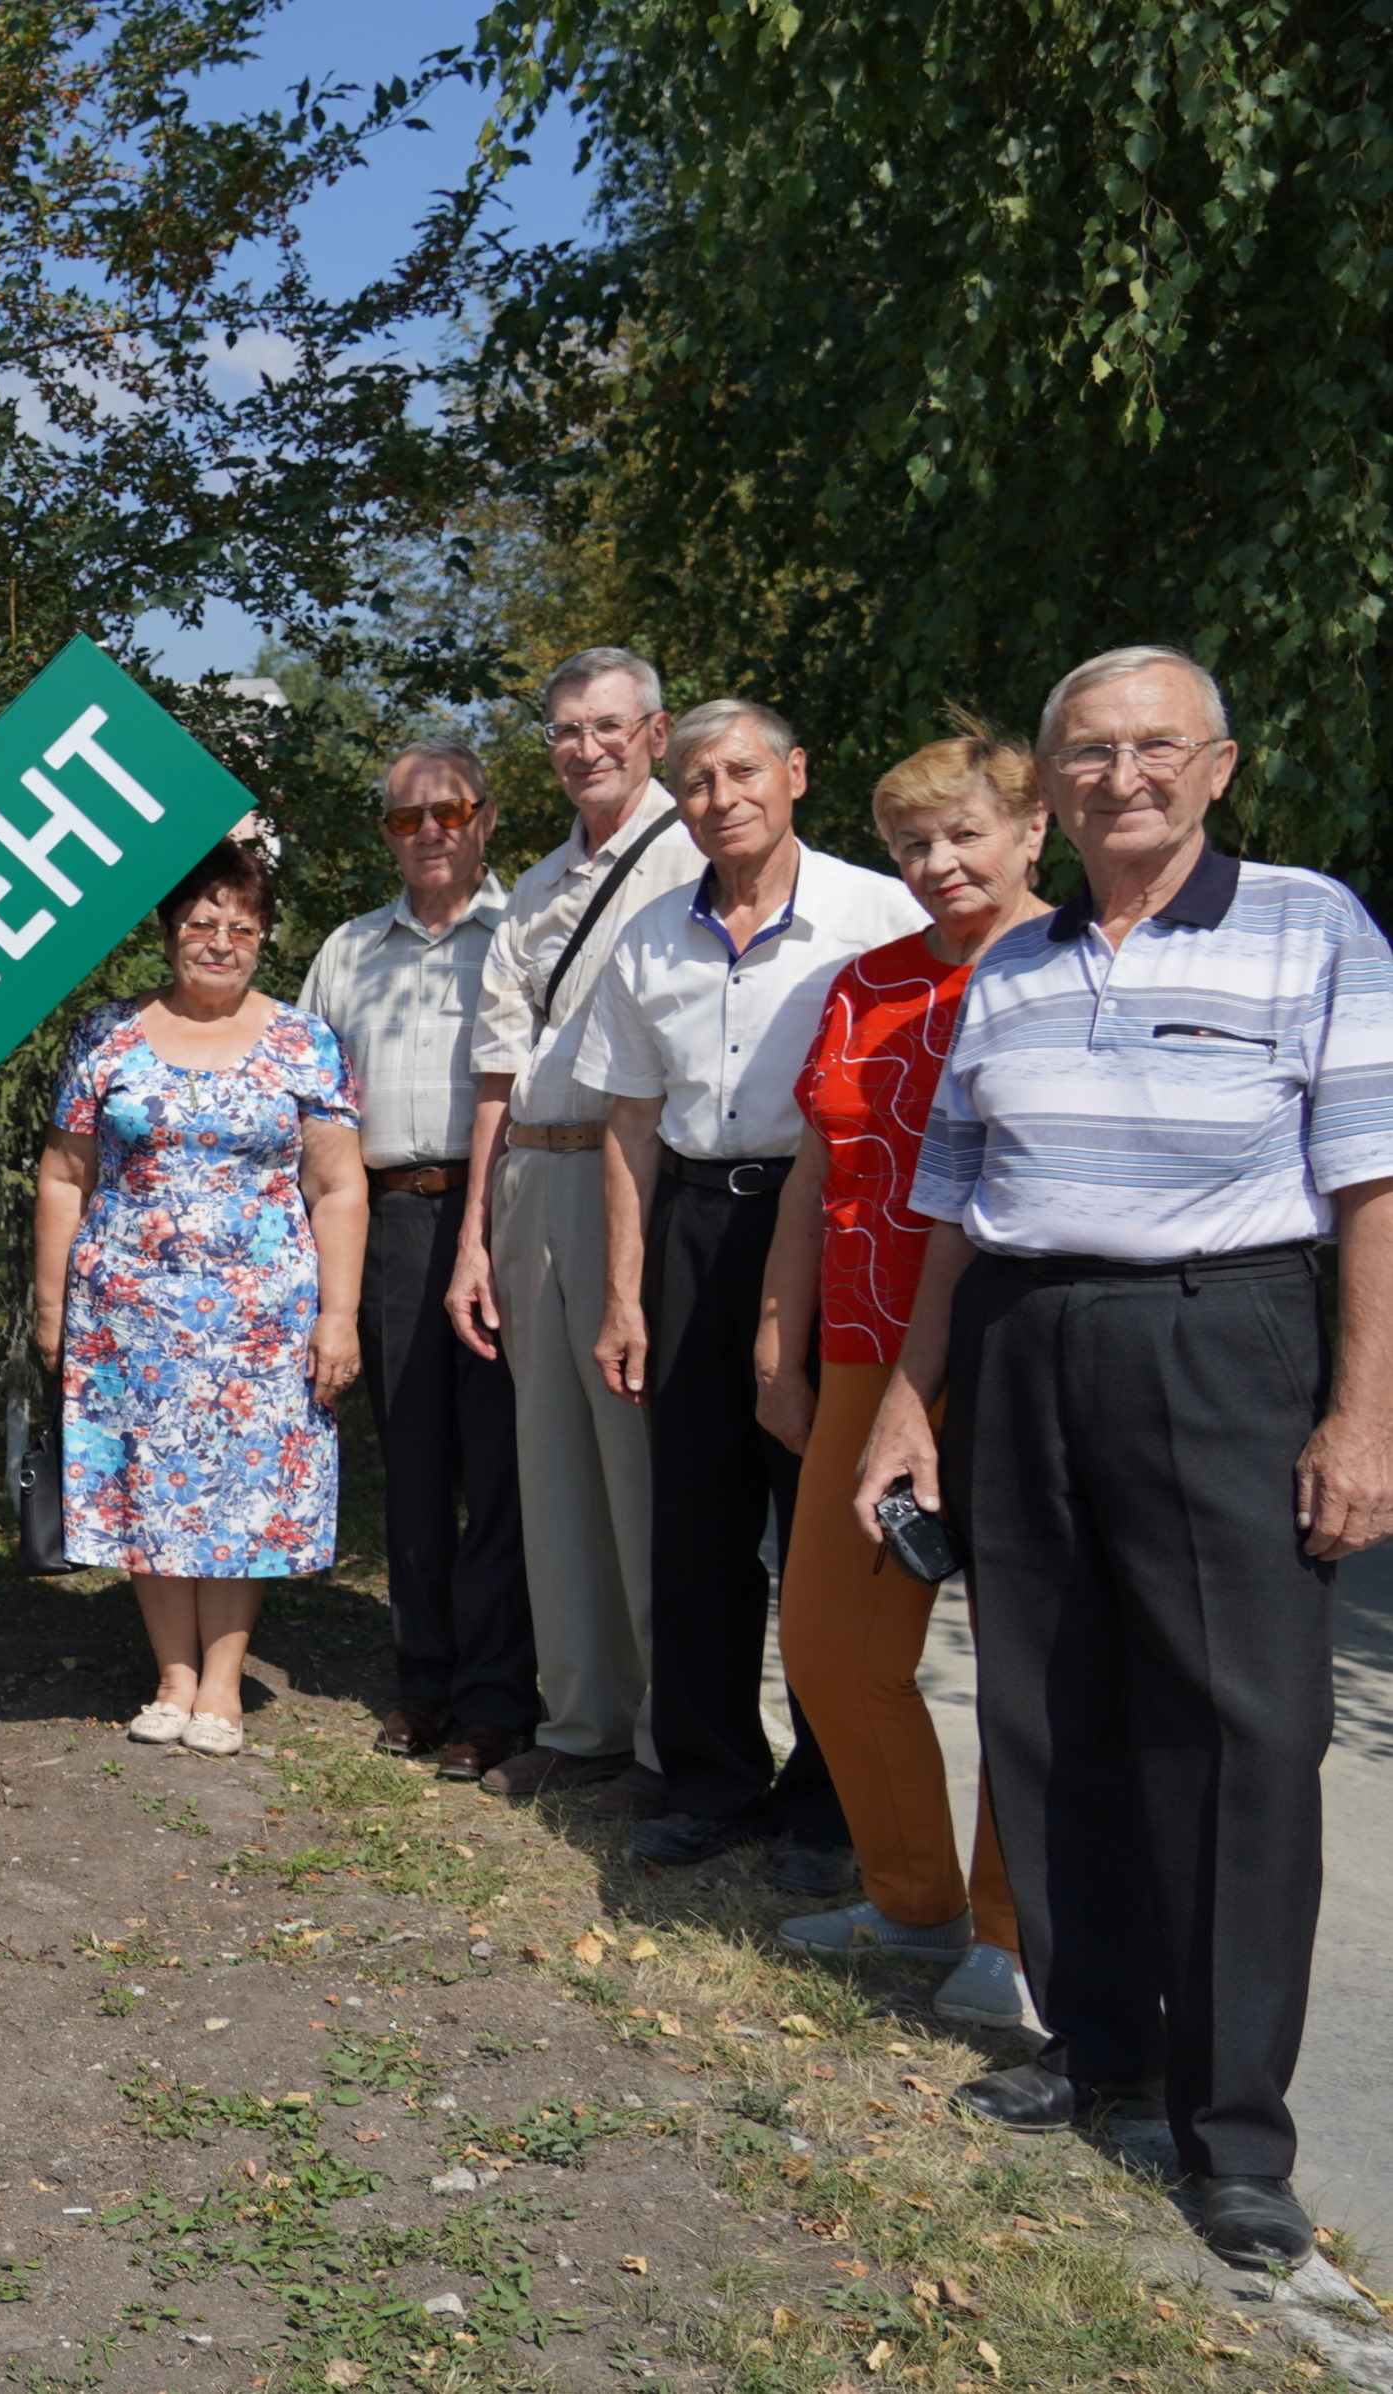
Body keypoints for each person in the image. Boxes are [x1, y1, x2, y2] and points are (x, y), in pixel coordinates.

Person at [854, 645, 1393, 2270]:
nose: (1121, 774)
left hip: (1216, 1340)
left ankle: (1236, 2134)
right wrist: (908, 1395)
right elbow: (952, 1192)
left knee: (1238, 1731)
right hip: (1021, 1339)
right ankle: (1100, 2050)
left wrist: (1364, 1411)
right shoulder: (1013, 965)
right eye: (1087, 750)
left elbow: (1371, 1185)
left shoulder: (1314, 925)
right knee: (1047, 1700)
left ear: (1217, 764)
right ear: (1052, 779)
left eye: (1156, 746)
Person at [578, 700, 924, 1878]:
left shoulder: (879, 912)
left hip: (829, 1225)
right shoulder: (647, 941)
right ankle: (711, 1778)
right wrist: (625, 1292)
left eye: (740, 772)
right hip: (689, 1222)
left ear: (796, 773)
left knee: (825, 1522)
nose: (717, 796)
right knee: (696, 1521)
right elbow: (627, 1123)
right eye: (693, 781)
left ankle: (825, 1801)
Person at [754, 731, 1043, 2032]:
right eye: (915, 842)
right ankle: (913, 1897)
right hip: (868, 1354)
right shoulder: (864, 984)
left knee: (1031, 1668)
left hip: (1030, 1358)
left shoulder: (1076, 972)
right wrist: (780, 1334)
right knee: (826, 1640)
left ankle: (1014, 1935)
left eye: (964, 833)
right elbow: (818, 1174)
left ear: (1032, 831)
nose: (938, 862)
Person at [35, 838, 365, 1755]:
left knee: (239, 1491)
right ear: (170, 932)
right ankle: (172, 1677)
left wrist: (338, 1317)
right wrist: (52, 1302)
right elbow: (66, 1173)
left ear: (262, 938)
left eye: (242, 927)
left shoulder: (304, 1040)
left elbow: (339, 1186)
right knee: (149, 1482)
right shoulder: (107, 1035)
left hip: (259, 1320)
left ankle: (223, 1684)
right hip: (125, 1309)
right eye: (202, 924)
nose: (221, 942)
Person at [448, 646, 704, 1807]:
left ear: (654, 734)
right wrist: (470, 1236)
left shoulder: (696, 854)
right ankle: (581, 1717)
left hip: (630, 1178)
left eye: (607, 726)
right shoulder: (538, 884)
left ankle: (670, 1737)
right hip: (525, 1187)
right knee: (549, 1465)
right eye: (563, 729)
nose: (584, 747)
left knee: (640, 1469)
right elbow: (496, 1067)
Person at [298, 741, 537, 1783]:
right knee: (413, 1471)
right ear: (385, 833)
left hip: (503, 1220)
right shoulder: (346, 953)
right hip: (389, 1221)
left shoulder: (529, 934)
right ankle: (423, 1682)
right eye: (406, 817)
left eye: (449, 810)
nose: (429, 830)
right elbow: (307, 1107)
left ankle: (496, 1697)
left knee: (498, 1470)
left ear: (485, 818)